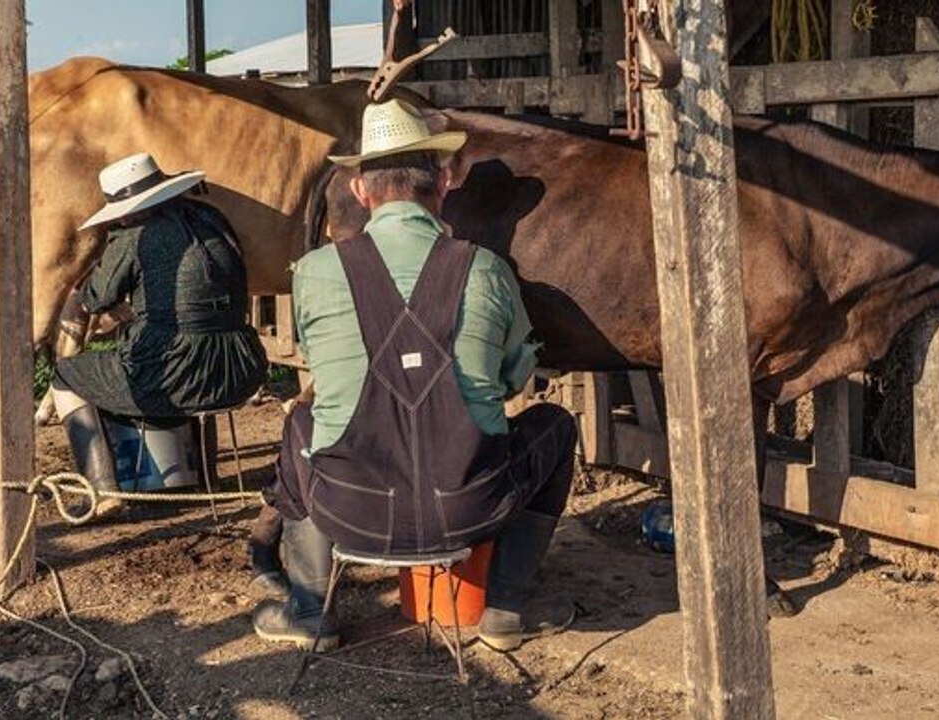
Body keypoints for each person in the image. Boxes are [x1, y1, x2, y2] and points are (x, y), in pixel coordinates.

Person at [251, 100, 578, 653]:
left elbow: (325, 372)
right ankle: (505, 609)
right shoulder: (487, 269)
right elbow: (515, 379)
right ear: (444, 181)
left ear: (360, 192)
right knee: (555, 424)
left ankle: (309, 612)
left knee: (302, 423)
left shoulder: (313, 273)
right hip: (471, 508)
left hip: (349, 510)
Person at [50, 153, 268, 516]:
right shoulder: (211, 217)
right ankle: (206, 478)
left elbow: (96, 297)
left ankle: (103, 490)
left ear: (128, 208)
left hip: (173, 375)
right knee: (197, 341)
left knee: (65, 376)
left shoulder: (135, 234)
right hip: (241, 365)